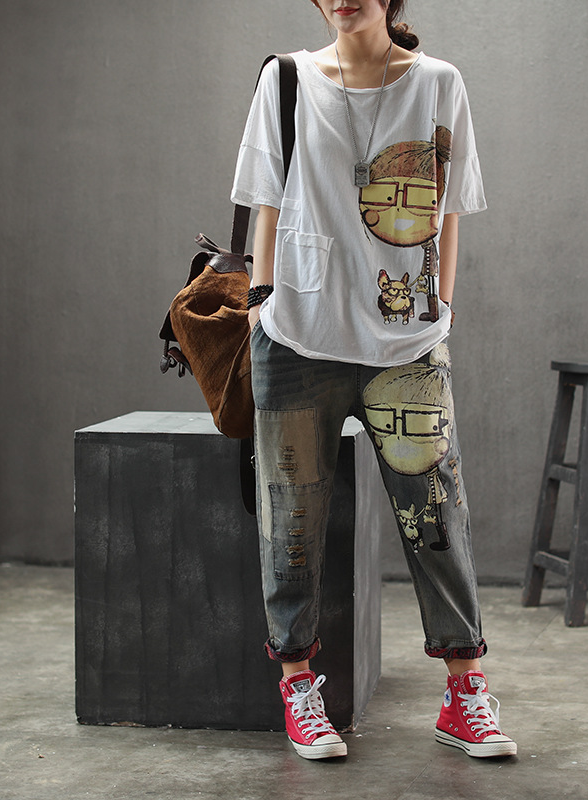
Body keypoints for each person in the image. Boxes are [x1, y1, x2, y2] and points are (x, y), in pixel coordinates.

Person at [231, 0, 516, 761]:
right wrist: (260, 303)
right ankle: (299, 686)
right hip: (298, 335)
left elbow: (450, 208)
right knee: (291, 522)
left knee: (437, 519)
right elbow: (265, 200)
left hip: (407, 343)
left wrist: (441, 309)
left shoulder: (438, 83)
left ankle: (464, 694)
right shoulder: (286, 80)